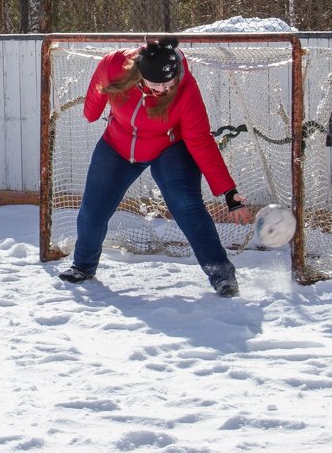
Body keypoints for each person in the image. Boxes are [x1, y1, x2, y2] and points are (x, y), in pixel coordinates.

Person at [57, 36, 254, 297]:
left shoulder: (186, 91)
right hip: (118, 144)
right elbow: (96, 95)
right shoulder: (114, 66)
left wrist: (228, 191)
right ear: (139, 76)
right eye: (155, 84)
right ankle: (82, 265)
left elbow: (201, 141)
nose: (163, 90)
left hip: (168, 148)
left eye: (168, 83)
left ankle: (221, 273)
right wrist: (92, 111)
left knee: (186, 205)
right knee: (93, 210)